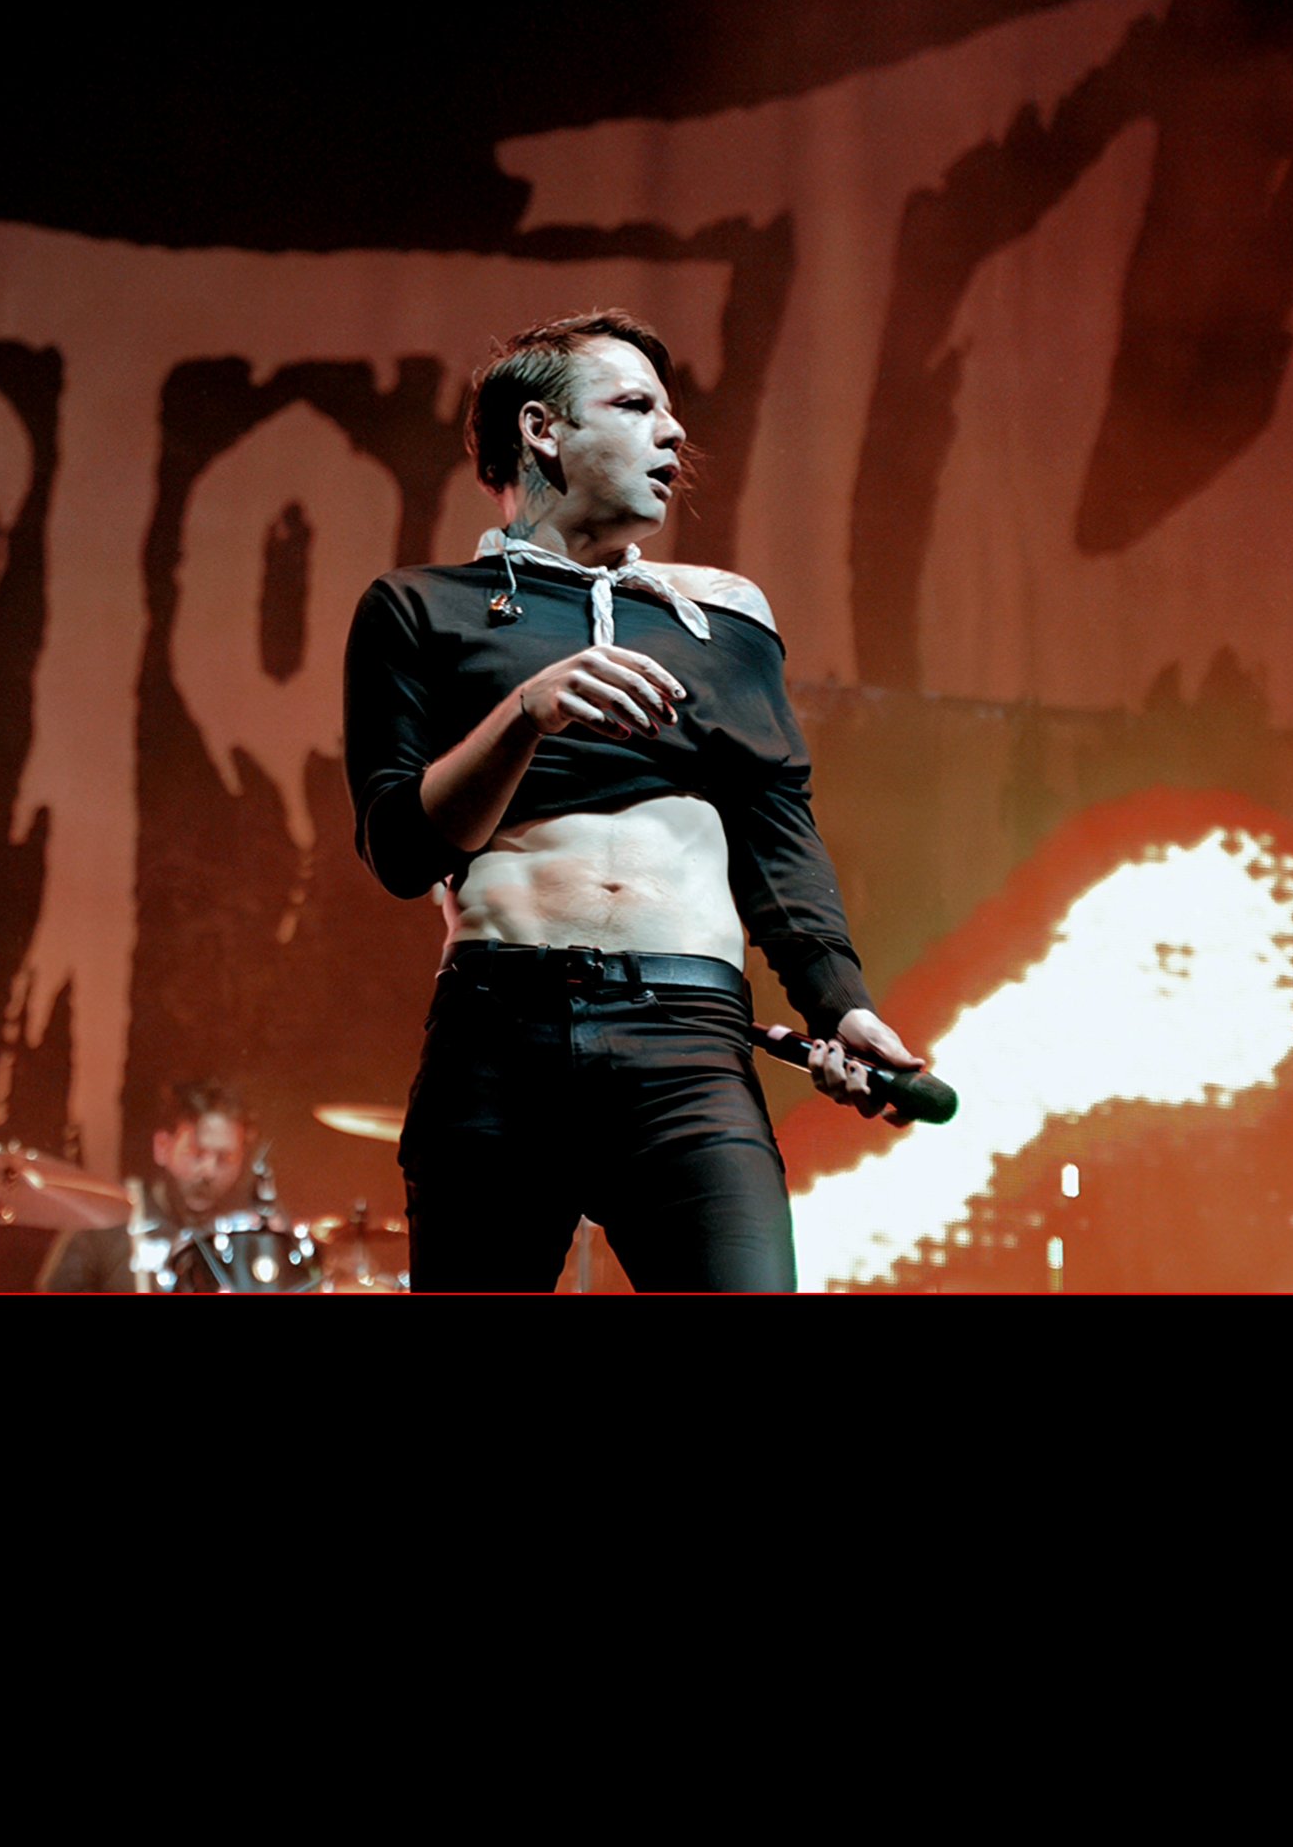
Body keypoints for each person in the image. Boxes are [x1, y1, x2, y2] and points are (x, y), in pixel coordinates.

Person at [342, 308, 923, 1292]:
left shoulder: (723, 618)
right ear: (543, 429)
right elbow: (400, 849)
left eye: (669, 409)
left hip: (688, 1040)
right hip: (498, 1033)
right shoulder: (417, 607)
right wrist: (526, 712)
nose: (674, 430)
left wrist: (842, 1005)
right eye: (634, 404)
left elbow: (776, 832)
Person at [39, 1080, 274, 1290]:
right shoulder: (104, 1221)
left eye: (225, 1158)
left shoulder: (255, 1232)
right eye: (196, 1153)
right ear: (162, 1147)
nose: (209, 1172)